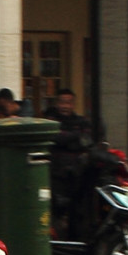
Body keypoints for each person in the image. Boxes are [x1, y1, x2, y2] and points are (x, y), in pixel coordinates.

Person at [46, 88, 94, 238]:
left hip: (77, 174)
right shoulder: (49, 119)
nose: (65, 106)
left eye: (68, 102)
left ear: (73, 104)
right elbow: (54, 137)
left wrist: (69, 138)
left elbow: (86, 141)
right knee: (55, 209)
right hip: (55, 173)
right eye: (62, 102)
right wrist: (74, 137)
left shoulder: (81, 121)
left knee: (77, 210)